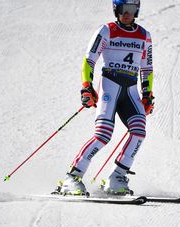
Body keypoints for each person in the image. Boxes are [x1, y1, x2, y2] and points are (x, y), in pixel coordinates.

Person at [57, 0, 154, 196]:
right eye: (123, 10)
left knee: (139, 132)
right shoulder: (106, 30)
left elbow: (147, 67)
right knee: (103, 135)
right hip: (110, 85)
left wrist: (147, 95)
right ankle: (72, 177)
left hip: (130, 90)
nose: (127, 14)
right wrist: (86, 88)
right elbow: (89, 59)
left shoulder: (144, 35)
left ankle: (116, 177)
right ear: (116, 10)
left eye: (132, 10)